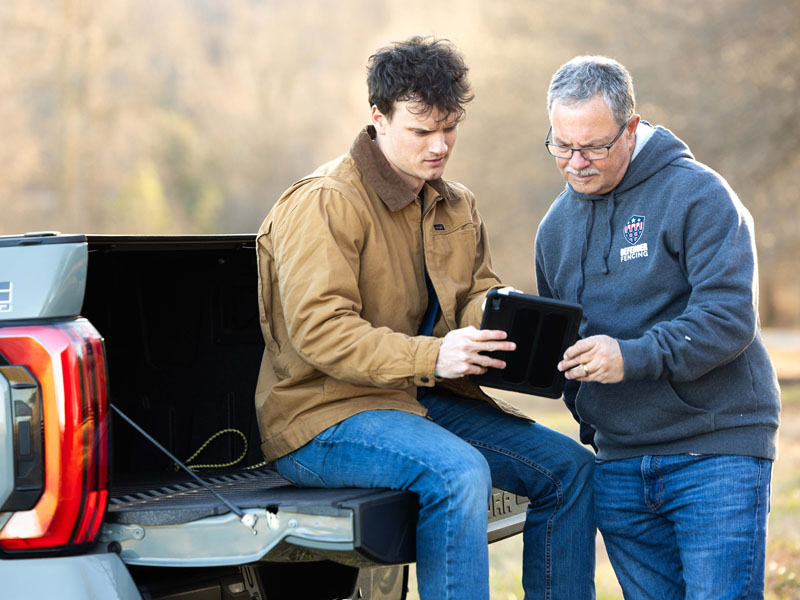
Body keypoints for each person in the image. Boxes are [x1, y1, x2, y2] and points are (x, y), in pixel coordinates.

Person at [254, 36, 595, 599]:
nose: (440, 145)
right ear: (378, 118)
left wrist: (502, 315)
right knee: (458, 473)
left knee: (571, 470)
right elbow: (320, 331)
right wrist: (435, 355)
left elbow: (474, 293)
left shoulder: (456, 203)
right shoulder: (325, 201)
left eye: (450, 127)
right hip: (322, 417)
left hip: (422, 401)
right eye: (421, 130)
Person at [536, 55, 781, 599]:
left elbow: (729, 316)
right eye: (561, 145)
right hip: (620, 463)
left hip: (714, 453)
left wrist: (631, 357)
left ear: (630, 128)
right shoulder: (554, 229)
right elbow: (565, 346)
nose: (576, 163)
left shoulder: (698, 195)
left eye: (593, 146)